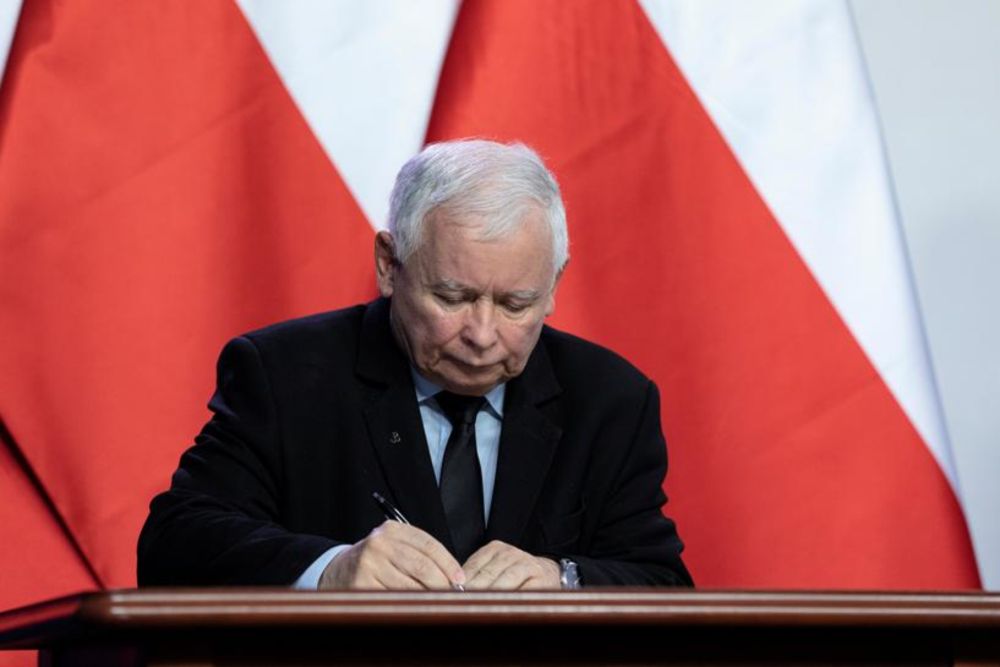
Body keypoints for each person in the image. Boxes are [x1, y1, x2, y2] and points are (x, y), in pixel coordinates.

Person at [137, 139, 691, 589]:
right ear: (389, 265)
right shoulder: (284, 375)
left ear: (553, 287)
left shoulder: (611, 399)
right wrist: (331, 570)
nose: (481, 335)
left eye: (514, 305)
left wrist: (564, 579)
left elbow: (662, 579)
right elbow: (175, 543)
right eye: (451, 298)